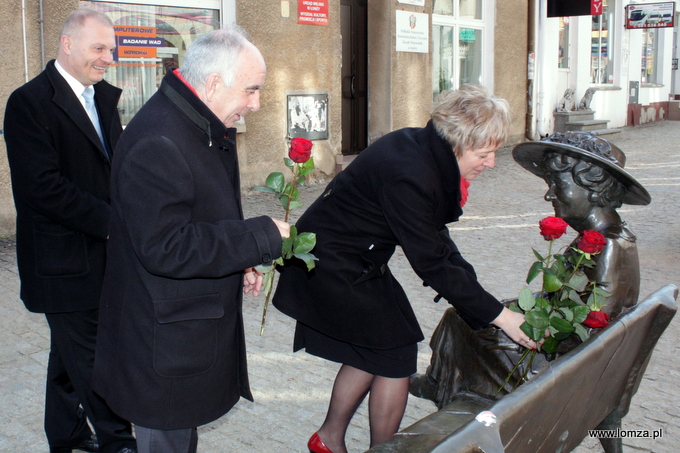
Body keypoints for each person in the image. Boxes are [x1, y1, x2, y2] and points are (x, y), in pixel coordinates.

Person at [272, 85, 535, 453]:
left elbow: (435, 236)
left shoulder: (421, 150)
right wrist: (500, 316)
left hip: (356, 259)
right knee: (395, 355)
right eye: (484, 153)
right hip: (329, 263)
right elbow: (429, 259)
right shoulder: (410, 173)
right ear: (457, 142)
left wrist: (477, 293)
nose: (491, 163)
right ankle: (377, 448)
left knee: (377, 347)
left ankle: (328, 439)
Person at [91, 27, 289, 453]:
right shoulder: (160, 139)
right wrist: (259, 237)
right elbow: (167, 246)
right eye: (252, 90)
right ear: (214, 83)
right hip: (160, 349)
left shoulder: (195, 120)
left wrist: (241, 260)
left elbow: (205, 213)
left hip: (179, 336)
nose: (255, 104)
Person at [409, 130, 652, 408]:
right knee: (473, 314)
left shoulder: (606, 245)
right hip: (583, 356)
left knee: (461, 319)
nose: (550, 194)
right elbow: (573, 302)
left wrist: (536, 328)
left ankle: (443, 388)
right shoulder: (608, 234)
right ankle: (439, 385)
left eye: (558, 185)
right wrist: (510, 310)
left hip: (567, 365)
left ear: (593, 189)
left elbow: (591, 323)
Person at [3, 8, 137, 453]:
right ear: (67, 44)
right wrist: (115, 224)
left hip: (102, 256)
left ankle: (67, 437)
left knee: (69, 357)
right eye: (99, 48)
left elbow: (112, 172)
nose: (108, 58)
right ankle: (120, 442)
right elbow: (42, 189)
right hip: (62, 264)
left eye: (111, 50)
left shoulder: (102, 98)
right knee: (96, 357)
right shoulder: (28, 102)